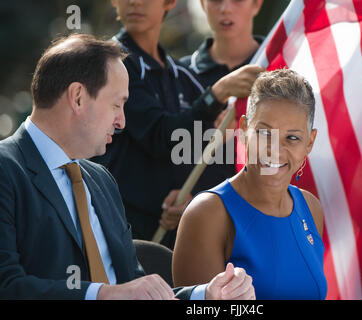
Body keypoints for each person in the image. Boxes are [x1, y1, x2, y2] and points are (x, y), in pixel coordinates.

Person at [0, 34, 255, 300]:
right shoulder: (6, 170)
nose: (122, 121)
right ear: (77, 98)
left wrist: (205, 295)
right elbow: (7, 287)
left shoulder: (101, 181)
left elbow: (133, 289)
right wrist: (102, 295)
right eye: (117, 104)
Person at [92, 0, 264, 248]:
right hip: (120, 233)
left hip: (168, 238)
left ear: (170, 2)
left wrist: (184, 198)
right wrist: (217, 93)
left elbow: (186, 152)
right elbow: (163, 136)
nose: (135, 2)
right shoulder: (110, 64)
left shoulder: (178, 73)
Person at [172, 69, 328, 299]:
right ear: (244, 130)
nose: (275, 149)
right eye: (265, 133)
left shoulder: (310, 207)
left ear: (310, 142)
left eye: (292, 138)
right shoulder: (207, 214)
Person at [180, 0, 265, 192]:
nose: (226, 8)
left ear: (257, 4)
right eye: (216, 0)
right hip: (198, 211)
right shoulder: (180, 74)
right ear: (202, 4)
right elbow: (172, 150)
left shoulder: (280, 66)